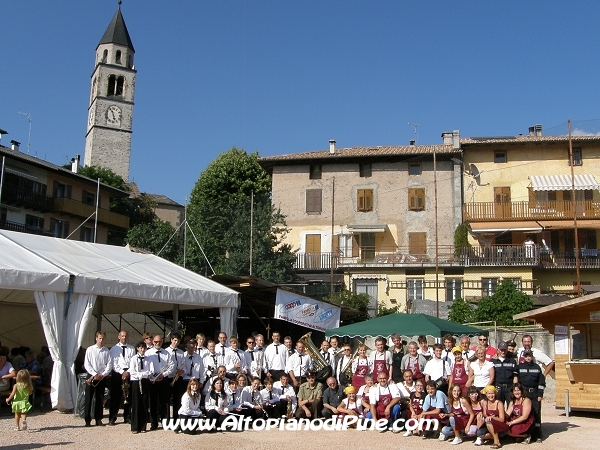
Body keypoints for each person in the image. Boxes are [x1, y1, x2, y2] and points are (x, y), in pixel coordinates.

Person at [145, 334, 175, 430]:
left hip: (163, 379)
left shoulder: (166, 353)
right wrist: (153, 377)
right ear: (153, 342)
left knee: (165, 401)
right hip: (152, 380)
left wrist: (164, 375)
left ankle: (165, 421)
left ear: (162, 342)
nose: (158, 343)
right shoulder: (148, 353)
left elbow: (171, 366)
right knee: (153, 401)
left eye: (160, 342)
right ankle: (154, 422)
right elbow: (146, 366)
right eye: (156, 342)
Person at [83, 331, 112, 427]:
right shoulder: (90, 349)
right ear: (96, 338)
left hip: (101, 377)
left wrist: (102, 375)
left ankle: (98, 418)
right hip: (91, 376)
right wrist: (94, 374)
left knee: (100, 398)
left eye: (103, 338)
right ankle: (87, 419)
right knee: (89, 398)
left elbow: (109, 365)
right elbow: (87, 364)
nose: (101, 340)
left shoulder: (106, 351)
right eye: (100, 338)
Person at [515, 349, 545, 442]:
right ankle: (525, 433)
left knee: (536, 414)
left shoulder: (537, 367)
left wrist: (540, 394)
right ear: (524, 357)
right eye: (526, 356)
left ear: (532, 357)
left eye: (529, 356)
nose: (528, 358)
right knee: (525, 414)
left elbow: (541, 383)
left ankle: (537, 434)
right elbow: (517, 381)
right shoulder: (519, 367)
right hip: (524, 394)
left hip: (535, 393)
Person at [108, 330, 135, 425]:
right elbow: (113, 363)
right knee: (115, 396)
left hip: (128, 373)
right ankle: (112, 417)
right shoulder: (114, 349)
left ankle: (127, 416)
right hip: (117, 373)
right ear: (119, 337)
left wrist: (128, 372)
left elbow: (133, 362)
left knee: (127, 395)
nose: (124, 338)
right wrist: (122, 372)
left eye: (126, 336)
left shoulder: (132, 349)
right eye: (122, 336)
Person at [129, 340, 153, 434]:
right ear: (137, 349)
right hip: (136, 382)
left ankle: (143, 426)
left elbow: (151, 371)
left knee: (144, 403)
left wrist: (143, 375)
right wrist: (142, 374)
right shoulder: (134, 358)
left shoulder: (148, 359)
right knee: (136, 403)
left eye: (144, 348)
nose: (142, 349)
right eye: (141, 348)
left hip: (145, 381)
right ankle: (135, 426)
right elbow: (133, 371)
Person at [166, 333, 185, 420]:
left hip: (178, 378)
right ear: (171, 340)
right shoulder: (166, 351)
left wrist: (182, 370)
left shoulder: (181, 353)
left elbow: (183, 365)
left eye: (178, 341)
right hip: (169, 377)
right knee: (167, 399)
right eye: (175, 340)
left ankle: (176, 418)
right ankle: (166, 418)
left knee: (177, 399)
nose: (176, 343)